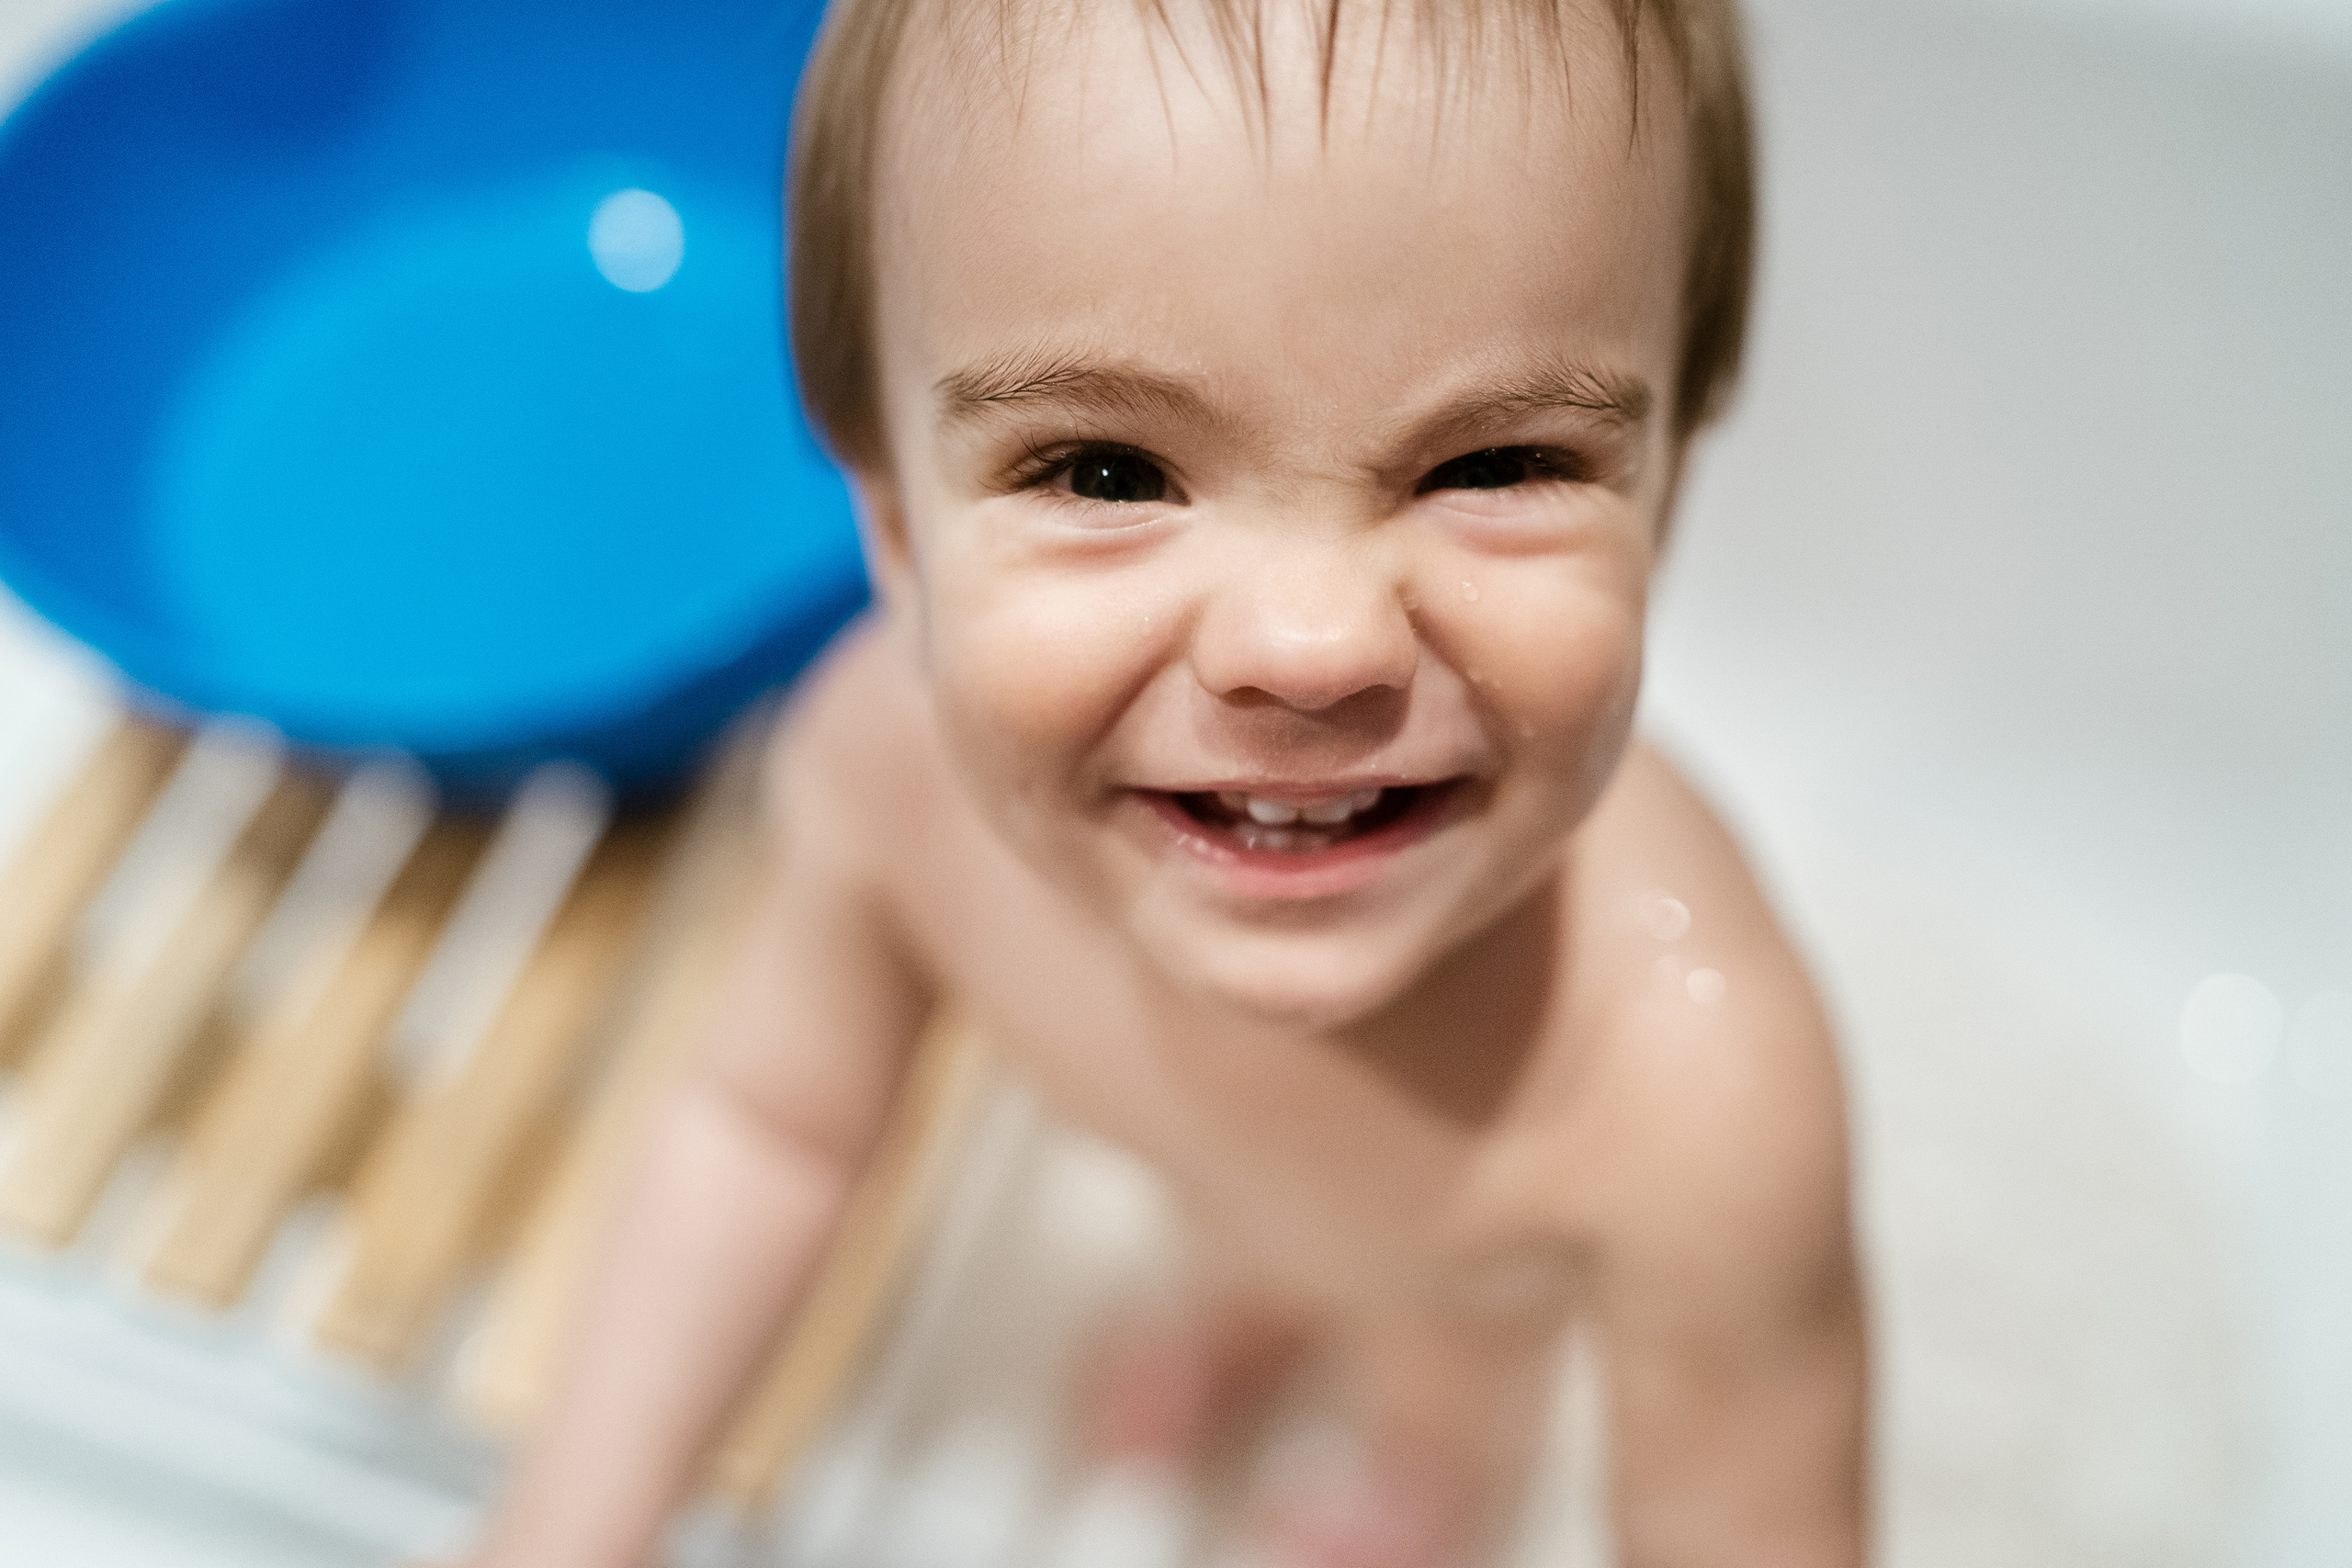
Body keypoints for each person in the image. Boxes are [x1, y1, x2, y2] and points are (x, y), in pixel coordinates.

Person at [471, 1, 1867, 1563]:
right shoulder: (890, 788)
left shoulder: (1678, 1083)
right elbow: (768, 1131)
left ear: (1669, 487)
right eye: (1107, 473)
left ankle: (1434, 1461)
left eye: (1495, 466)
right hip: (1239, 1200)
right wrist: (563, 1537)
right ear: (898, 529)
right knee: (1257, 1237)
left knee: (1444, 1365)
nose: (1313, 644)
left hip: (1463, 1297)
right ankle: (1255, 1309)